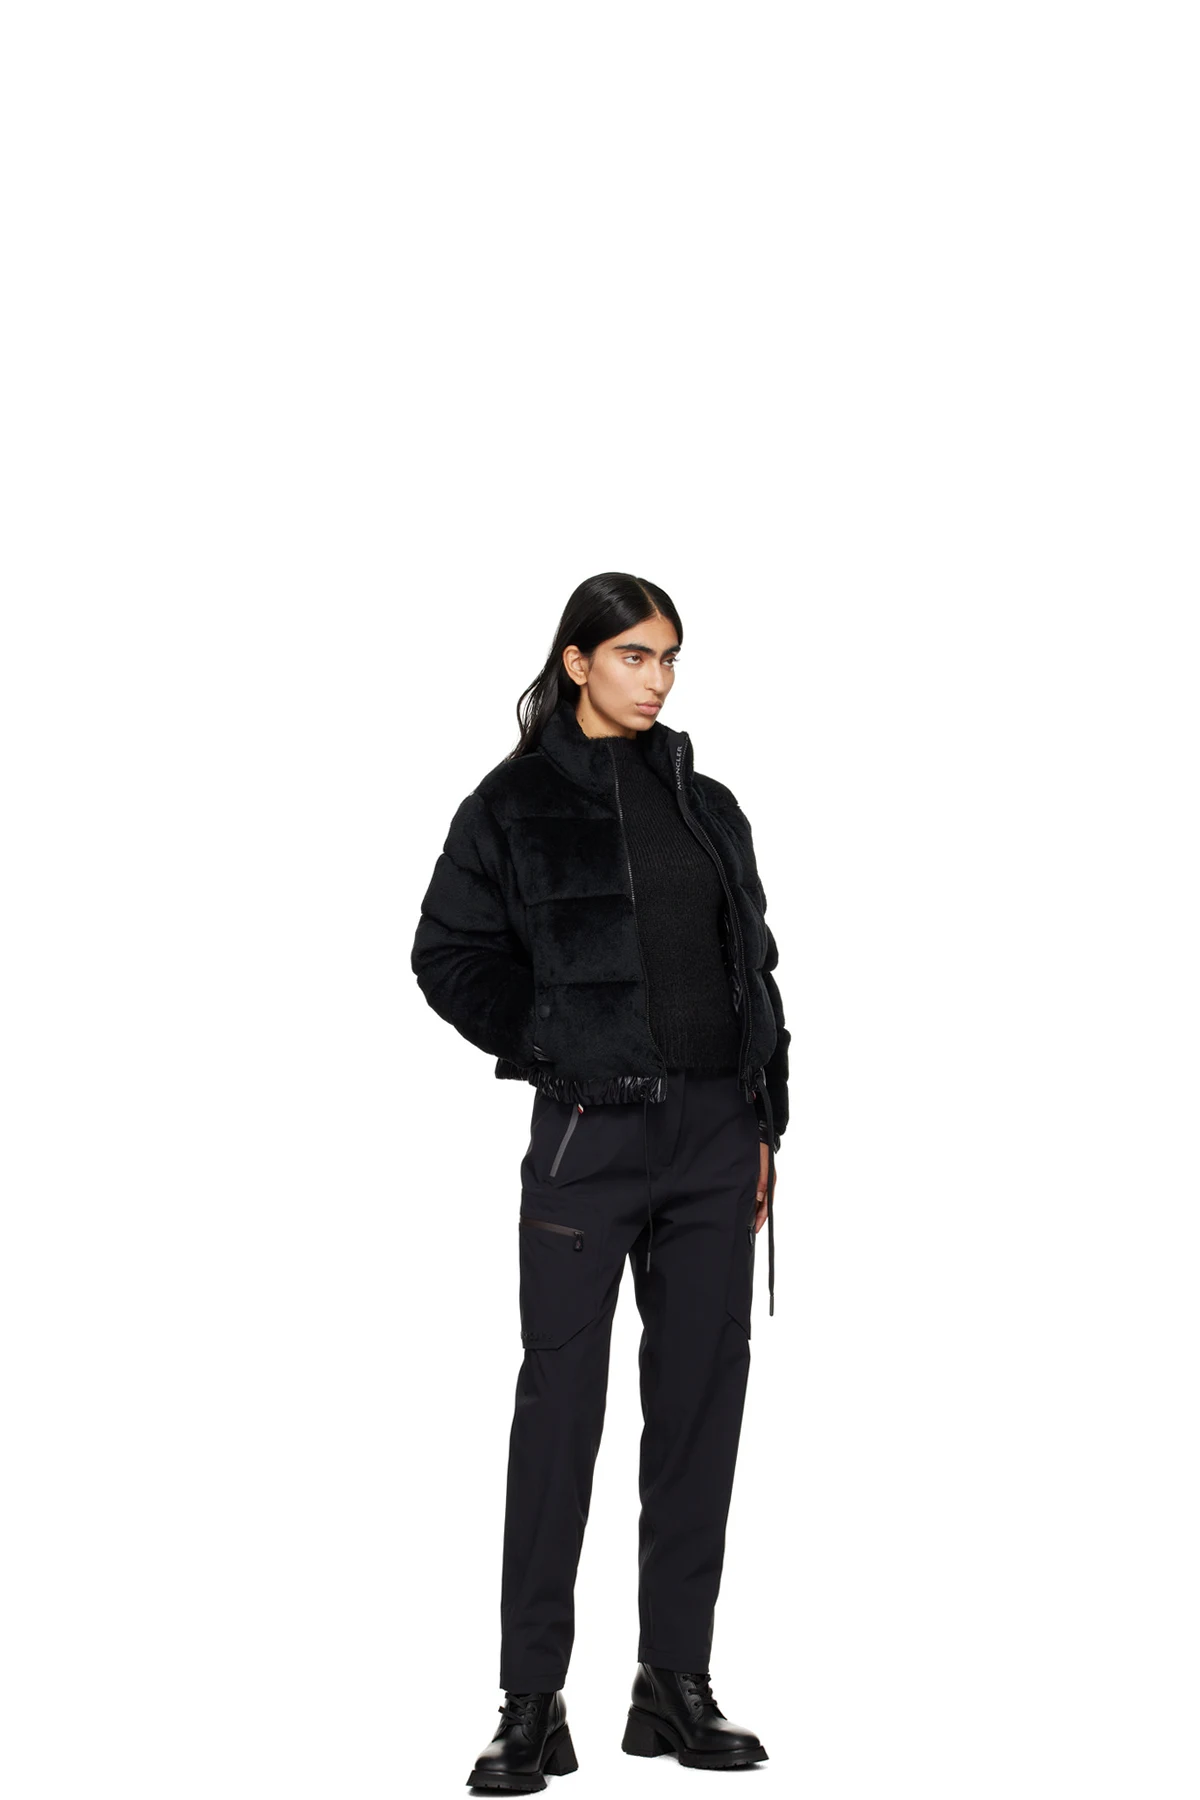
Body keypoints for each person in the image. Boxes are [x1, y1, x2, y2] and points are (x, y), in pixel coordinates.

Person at [411, 571, 790, 1790]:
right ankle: (531, 1704)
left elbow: (754, 968)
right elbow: (447, 954)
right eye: (634, 655)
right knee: (560, 1416)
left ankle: (673, 1684)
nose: (658, 679)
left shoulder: (707, 804)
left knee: (699, 1411)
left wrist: (766, 1120)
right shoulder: (511, 805)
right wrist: (555, 1038)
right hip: (590, 1138)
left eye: (669, 658)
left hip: (717, 1140)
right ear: (577, 661)